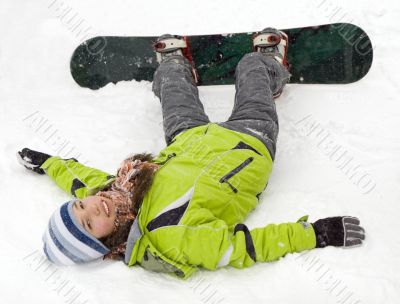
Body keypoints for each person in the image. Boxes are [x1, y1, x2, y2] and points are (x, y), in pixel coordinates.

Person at [17, 28, 365, 279]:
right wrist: (315, 233)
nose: (94, 206)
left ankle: (174, 65)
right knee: (250, 68)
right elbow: (243, 248)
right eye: (91, 224)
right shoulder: (170, 236)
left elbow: (79, 179)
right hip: (248, 145)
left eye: (81, 207)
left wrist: (48, 163)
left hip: (188, 139)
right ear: (105, 242)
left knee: (171, 85)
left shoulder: (113, 190)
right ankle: (270, 64)